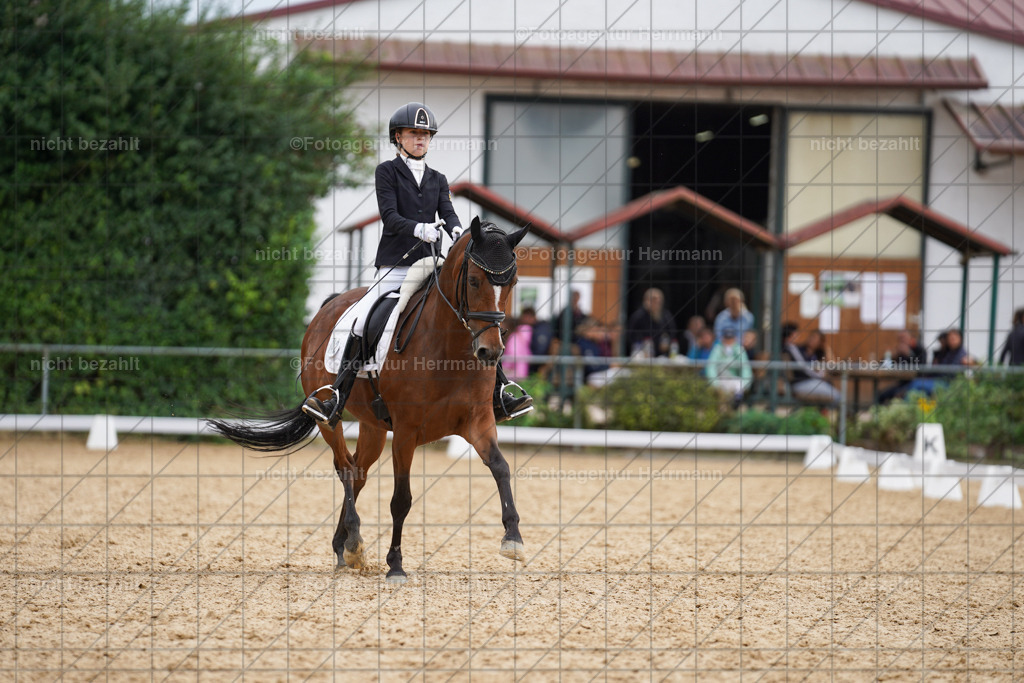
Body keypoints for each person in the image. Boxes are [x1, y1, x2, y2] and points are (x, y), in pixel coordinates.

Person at [303, 102, 532, 426]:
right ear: (398, 137)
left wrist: (456, 228)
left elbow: (447, 211)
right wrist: (419, 228)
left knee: (471, 316)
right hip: (395, 265)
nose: (421, 139)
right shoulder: (387, 172)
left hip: (431, 263)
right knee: (360, 319)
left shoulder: (437, 178)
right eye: (414, 133)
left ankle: (501, 391)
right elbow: (390, 216)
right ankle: (336, 394)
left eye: (425, 134)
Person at [898, 328, 973, 398]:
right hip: (939, 380)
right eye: (950, 338)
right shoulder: (947, 352)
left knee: (916, 384)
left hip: (948, 383)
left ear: (960, 339)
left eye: (954, 338)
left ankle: (906, 406)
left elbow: (973, 362)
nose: (951, 340)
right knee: (917, 388)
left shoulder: (961, 354)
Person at [781, 323, 841, 405]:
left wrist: (826, 348)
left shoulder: (817, 354)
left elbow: (833, 365)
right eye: (811, 337)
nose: (811, 340)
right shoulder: (796, 349)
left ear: (820, 342)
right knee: (837, 397)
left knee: (837, 396)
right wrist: (819, 375)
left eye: (815, 338)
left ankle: (822, 414)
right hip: (802, 383)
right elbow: (805, 368)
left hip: (814, 382)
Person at [706, 328, 752, 407]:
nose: (728, 341)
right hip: (720, 379)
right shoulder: (717, 349)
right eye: (726, 338)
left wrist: (745, 384)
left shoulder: (739, 349)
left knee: (738, 385)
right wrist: (714, 384)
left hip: (734, 379)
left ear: (735, 338)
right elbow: (711, 367)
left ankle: (735, 406)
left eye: (730, 339)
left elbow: (745, 368)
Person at [877, 330, 926, 404]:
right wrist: (892, 356)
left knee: (898, 395)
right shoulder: (900, 351)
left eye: (903, 338)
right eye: (899, 339)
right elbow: (883, 364)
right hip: (902, 383)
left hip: (914, 382)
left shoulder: (919, 349)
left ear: (910, 338)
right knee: (882, 395)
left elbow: (921, 367)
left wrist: (909, 354)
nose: (902, 340)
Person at [627, 288, 678, 357]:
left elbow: (672, 333)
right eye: (653, 299)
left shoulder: (666, 316)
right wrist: (641, 344)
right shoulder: (638, 316)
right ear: (646, 301)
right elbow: (631, 336)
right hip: (643, 354)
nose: (657, 302)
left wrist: (667, 342)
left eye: (659, 300)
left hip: (662, 355)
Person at [504, 311, 534, 380]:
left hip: (514, 373)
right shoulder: (521, 334)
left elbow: (511, 356)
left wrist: (503, 367)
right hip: (522, 372)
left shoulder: (513, 338)